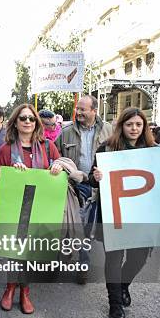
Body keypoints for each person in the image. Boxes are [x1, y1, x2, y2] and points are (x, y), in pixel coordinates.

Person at [89, 107, 160, 318]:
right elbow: (91, 179)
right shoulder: (107, 148)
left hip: (142, 215)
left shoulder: (154, 151)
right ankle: (115, 304)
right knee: (114, 259)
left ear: (144, 127)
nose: (134, 129)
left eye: (138, 124)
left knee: (138, 258)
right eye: (129, 124)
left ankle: (123, 285)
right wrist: (96, 176)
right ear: (122, 126)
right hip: (114, 214)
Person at [0, 104, 62, 314]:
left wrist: (57, 168)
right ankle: (10, 287)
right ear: (15, 122)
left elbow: (61, 169)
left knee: (31, 252)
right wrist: (12, 174)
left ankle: (25, 291)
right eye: (23, 118)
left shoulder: (48, 147)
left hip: (39, 208)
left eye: (32, 119)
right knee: (13, 252)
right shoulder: (6, 149)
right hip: (15, 208)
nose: (28, 122)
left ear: (36, 123)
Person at [55, 95, 112, 283]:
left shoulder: (109, 131)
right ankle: (71, 263)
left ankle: (82, 265)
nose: (78, 112)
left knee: (89, 230)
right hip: (75, 187)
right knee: (74, 227)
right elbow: (56, 156)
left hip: (101, 187)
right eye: (77, 109)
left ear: (94, 111)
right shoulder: (66, 132)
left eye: (82, 109)